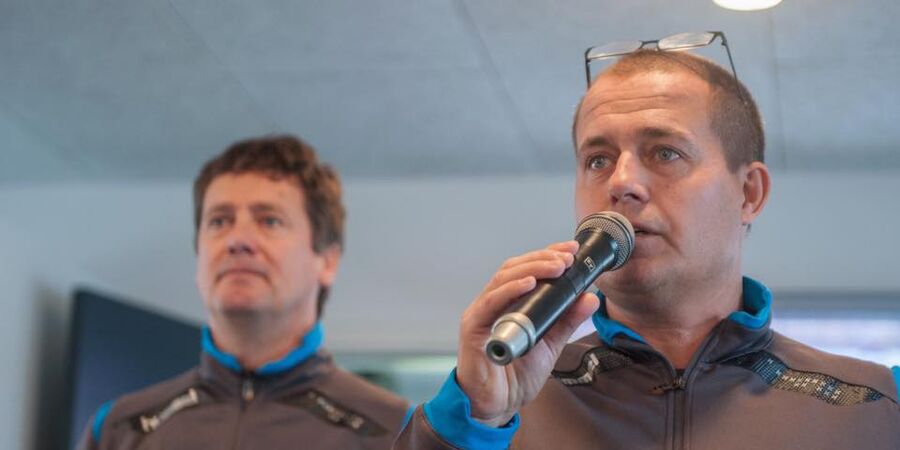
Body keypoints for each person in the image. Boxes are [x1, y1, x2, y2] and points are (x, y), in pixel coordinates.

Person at [394, 46, 900, 449]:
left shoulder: (876, 407)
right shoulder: (496, 411)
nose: (621, 182)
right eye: (598, 159)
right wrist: (472, 424)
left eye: (665, 152)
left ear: (748, 193)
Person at [78, 135, 410, 449]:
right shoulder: (118, 430)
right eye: (219, 221)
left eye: (269, 221)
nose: (238, 240)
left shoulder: (397, 432)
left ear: (327, 261)